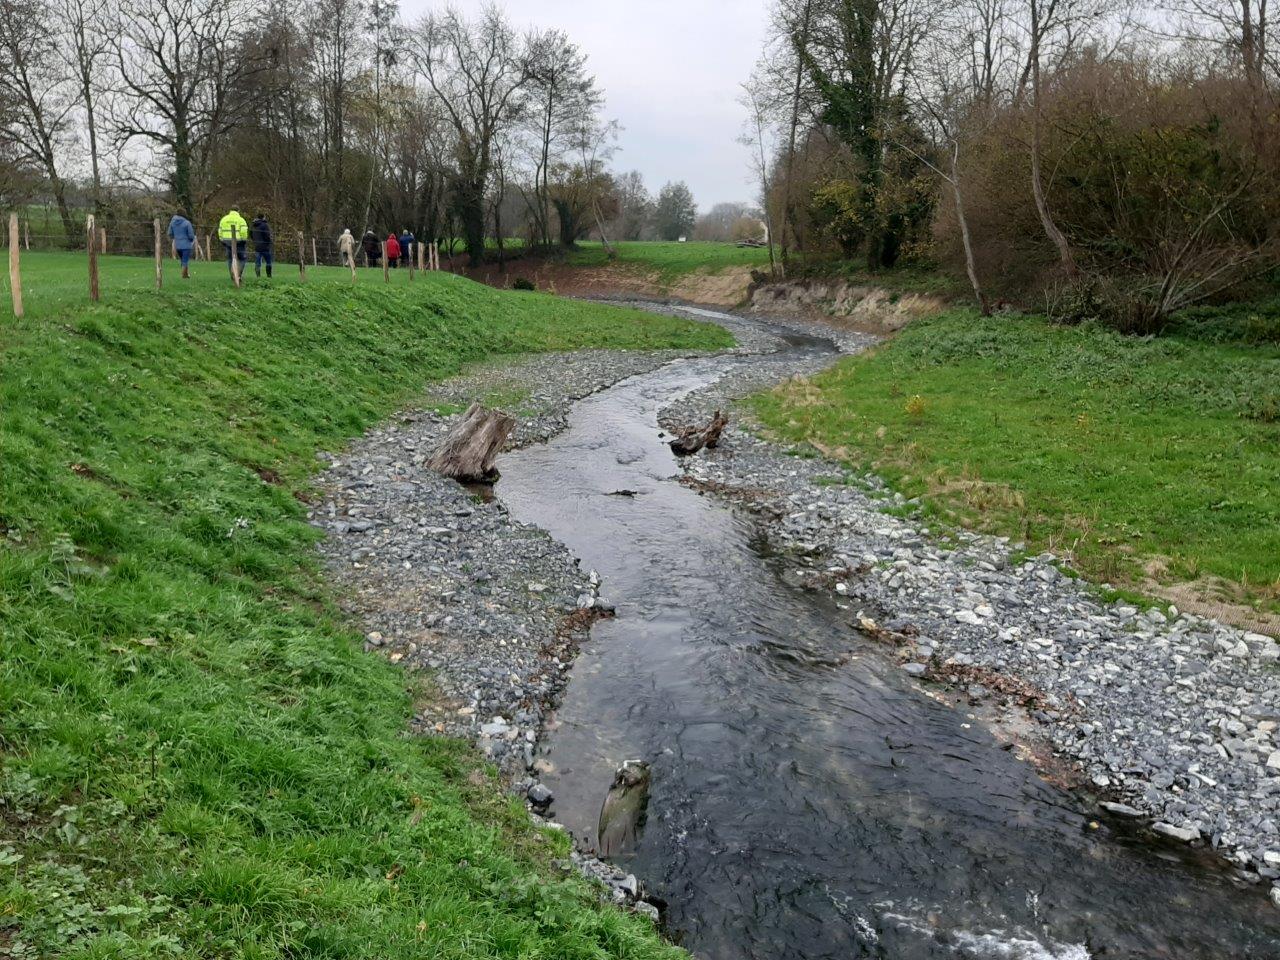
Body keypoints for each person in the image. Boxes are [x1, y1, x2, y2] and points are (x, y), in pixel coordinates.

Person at [218, 208, 249, 278]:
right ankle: (238, 274)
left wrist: (222, 239)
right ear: (238, 211)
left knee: (230, 258)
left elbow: (220, 230)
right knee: (242, 258)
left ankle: (232, 274)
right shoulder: (241, 220)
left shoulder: (224, 219)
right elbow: (243, 231)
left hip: (227, 241)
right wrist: (244, 240)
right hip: (238, 241)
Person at [167, 212, 196, 279]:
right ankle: (183, 276)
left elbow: (170, 233)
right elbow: (191, 235)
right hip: (186, 245)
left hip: (177, 245)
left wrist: (175, 237)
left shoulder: (172, 223)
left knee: (182, 260)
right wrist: (191, 240)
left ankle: (186, 274)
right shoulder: (187, 223)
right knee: (185, 261)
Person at [250, 213, 274, 278]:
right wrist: (269, 242)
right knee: (268, 261)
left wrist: (255, 241)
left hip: (257, 246)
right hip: (265, 246)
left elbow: (251, 235)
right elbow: (267, 235)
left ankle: (258, 276)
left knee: (257, 262)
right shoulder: (264, 225)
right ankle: (269, 276)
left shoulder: (253, 225)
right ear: (263, 217)